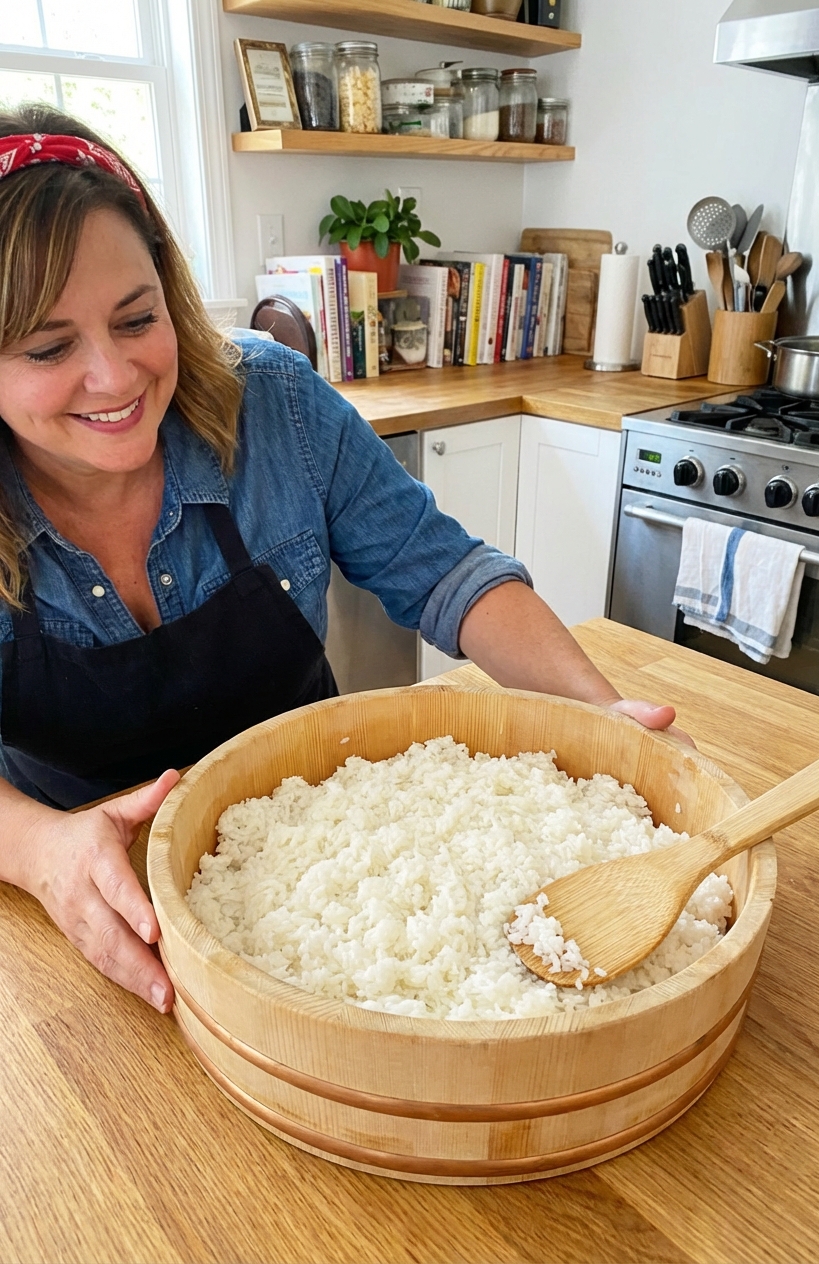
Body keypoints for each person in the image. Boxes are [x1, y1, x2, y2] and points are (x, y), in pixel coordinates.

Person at [0, 106, 689, 1016]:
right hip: (82, 917)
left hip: (339, 877)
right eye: (51, 348)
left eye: (138, 319)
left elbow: (446, 574)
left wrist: (601, 712)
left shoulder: (274, 403)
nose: (116, 376)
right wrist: (42, 851)